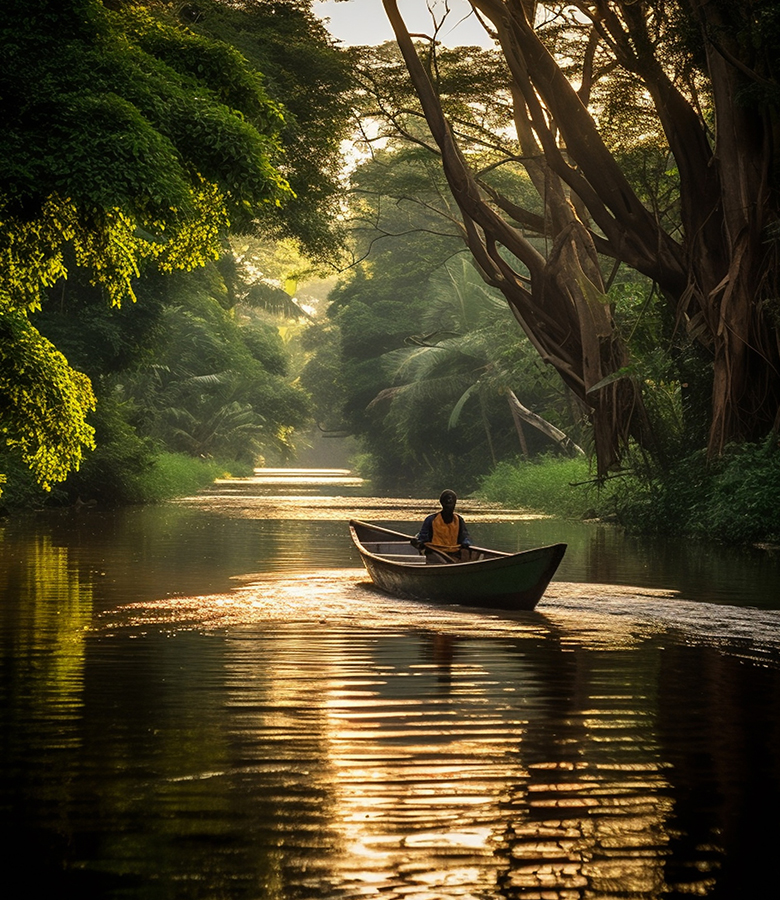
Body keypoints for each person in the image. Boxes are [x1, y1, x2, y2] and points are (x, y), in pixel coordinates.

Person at [412, 489, 472, 560]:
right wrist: (418, 542)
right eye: (446, 503)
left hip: (454, 553)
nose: (449, 505)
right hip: (434, 552)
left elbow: (465, 537)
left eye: (451, 503)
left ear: (455, 503)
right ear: (442, 503)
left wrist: (466, 542)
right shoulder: (431, 519)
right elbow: (423, 538)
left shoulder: (459, 520)